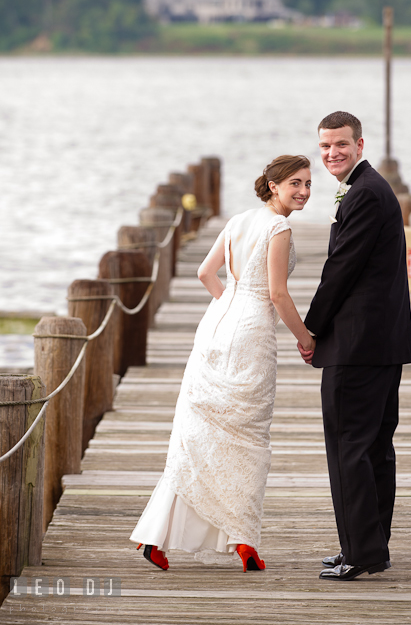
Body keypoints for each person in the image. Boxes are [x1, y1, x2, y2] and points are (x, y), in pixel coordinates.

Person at [131, 155, 315, 572]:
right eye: (295, 184)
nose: (303, 191)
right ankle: (244, 543)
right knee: (249, 437)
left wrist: (231, 308)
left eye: (307, 184)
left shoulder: (237, 221)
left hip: (216, 323)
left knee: (199, 433)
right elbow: (278, 296)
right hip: (250, 333)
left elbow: (204, 273)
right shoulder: (279, 227)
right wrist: (306, 341)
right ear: (273, 186)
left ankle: (156, 535)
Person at [298, 111, 411, 581]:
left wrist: (311, 331)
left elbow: (341, 269)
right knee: (372, 448)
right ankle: (368, 545)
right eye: (325, 146)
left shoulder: (364, 193)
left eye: (340, 145)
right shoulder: (368, 188)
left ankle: (362, 552)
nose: (331, 154)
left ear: (360, 144)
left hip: (359, 345)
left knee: (349, 446)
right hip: (381, 342)